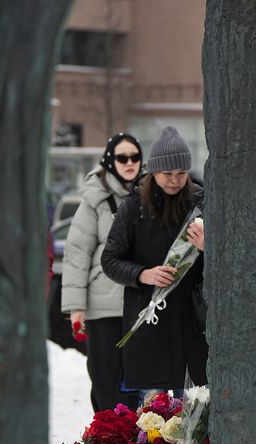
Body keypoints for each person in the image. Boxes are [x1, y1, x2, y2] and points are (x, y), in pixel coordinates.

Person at [101, 126, 207, 402]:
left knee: (193, 417)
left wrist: (208, 249)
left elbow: (227, 266)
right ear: (153, 172)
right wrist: (143, 274)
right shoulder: (133, 207)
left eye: (181, 174)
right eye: (167, 174)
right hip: (148, 325)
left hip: (190, 327)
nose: (175, 180)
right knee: (151, 426)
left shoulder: (202, 205)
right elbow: (110, 260)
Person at [61, 132, 143, 412]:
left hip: (140, 304)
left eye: (135, 157)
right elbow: (76, 255)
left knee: (139, 380)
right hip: (103, 307)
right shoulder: (94, 201)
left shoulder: (148, 196)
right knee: (105, 378)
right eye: (122, 157)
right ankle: (106, 440)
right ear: (110, 161)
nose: (129, 163)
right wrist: (76, 307)